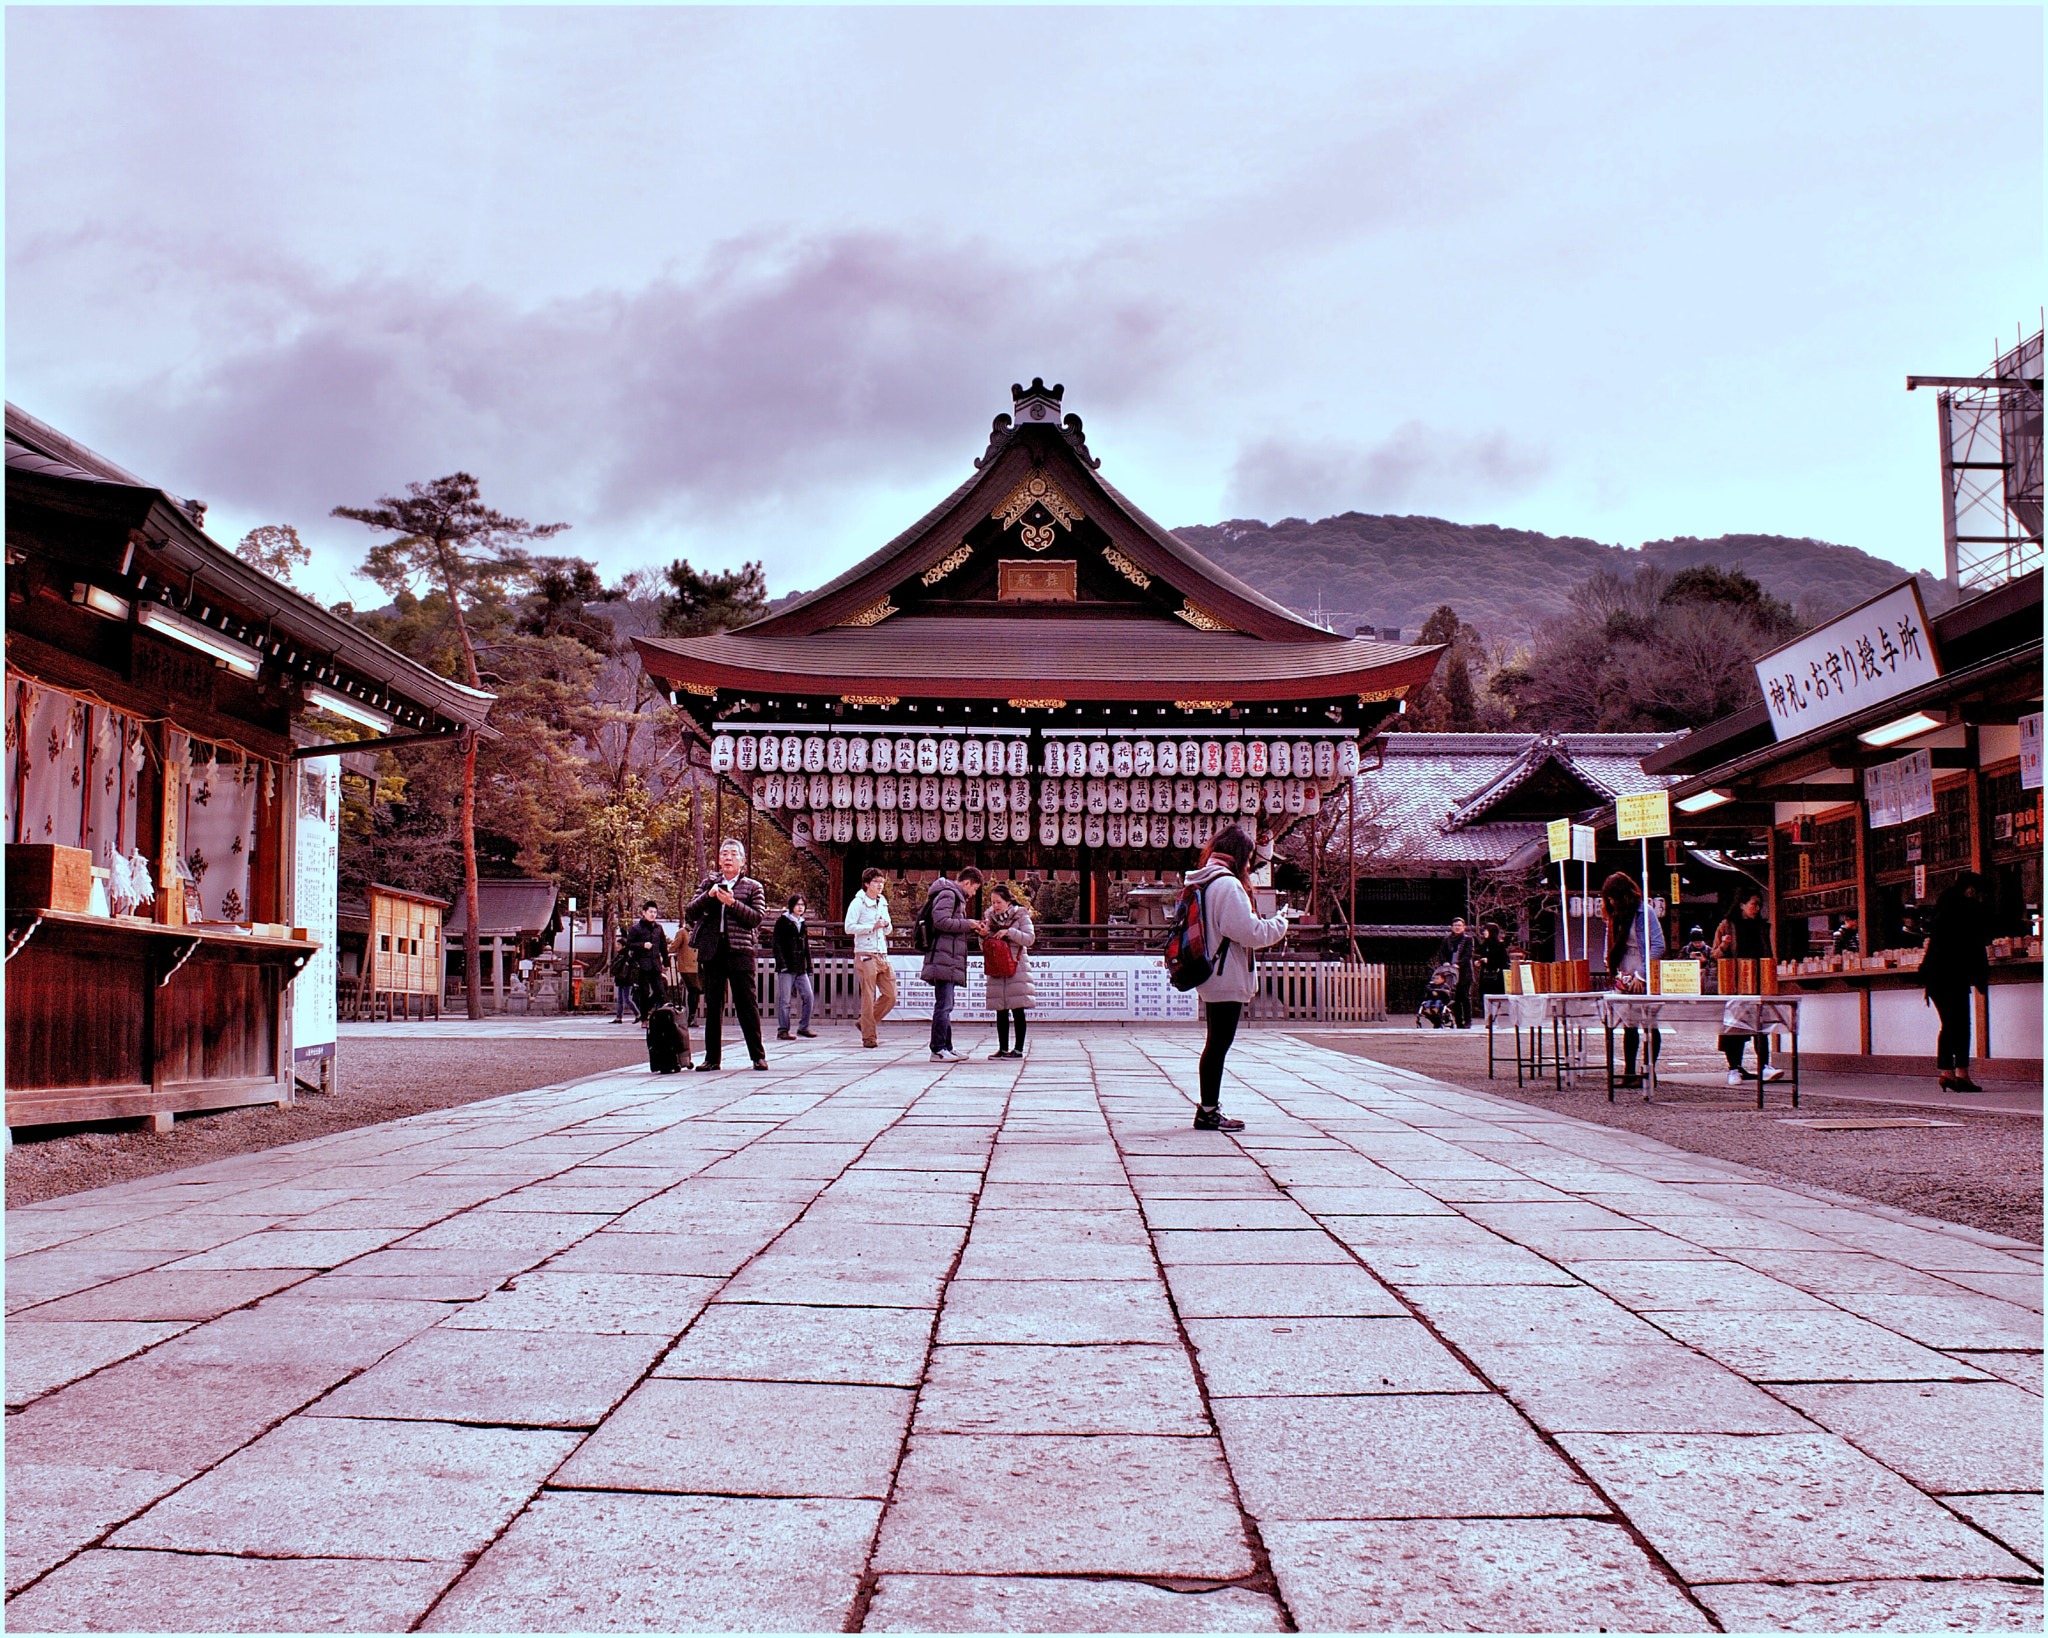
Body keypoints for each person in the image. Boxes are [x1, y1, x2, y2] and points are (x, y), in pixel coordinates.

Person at [1185, 824, 1294, 1131]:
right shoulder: (1228, 886)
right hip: (1226, 973)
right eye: (1247, 857)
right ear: (1238, 855)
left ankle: (1208, 1108)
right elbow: (1248, 932)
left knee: (1215, 1043)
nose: (1249, 864)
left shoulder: (1206, 880)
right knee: (1218, 1044)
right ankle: (1208, 1111)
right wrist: (1280, 923)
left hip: (1211, 972)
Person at [685, 838, 768, 1071]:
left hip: (740, 951)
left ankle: (757, 1056)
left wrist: (732, 903)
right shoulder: (708, 883)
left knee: (746, 1004)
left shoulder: (753, 887)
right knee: (713, 1005)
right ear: (719, 859)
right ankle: (712, 1058)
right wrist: (708, 896)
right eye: (724, 854)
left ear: (743, 860)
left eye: (733, 854)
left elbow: (756, 918)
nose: (728, 858)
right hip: (713, 951)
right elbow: (690, 911)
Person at [1922, 872, 1991, 1093]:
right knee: (1962, 1025)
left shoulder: (1943, 908)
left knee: (1949, 1025)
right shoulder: (1969, 909)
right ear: (1970, 890)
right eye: (1979, 894)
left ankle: (1947, 1073)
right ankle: (1961, 1073)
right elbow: (1979, 940)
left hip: (1934, 975)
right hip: (1954, 974)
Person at [1712, 887, 1782, 1085]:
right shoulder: (1727, 925)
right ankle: (1734, 1068)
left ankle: (1764, 1065)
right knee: (1734, 1026)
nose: (1756, 908)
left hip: (1758, 979)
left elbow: (1767, 951)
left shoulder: (1761, 926)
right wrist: (1725, 944)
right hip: (1734, 982)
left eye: (1759, 904)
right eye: (1753, 904)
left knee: (1760, 1025)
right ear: (1742, 905)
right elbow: (1714, 955)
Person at [1603, 872, 1664, 1087]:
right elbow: (1609, 945)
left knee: (1649, 1024)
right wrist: (1614, 969)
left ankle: (1649, 1070)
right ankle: (1629, 1071)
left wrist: (1642, 974)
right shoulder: (1615, 916)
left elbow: (1658, 945)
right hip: (1624, 973)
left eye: (1612, 897)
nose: (1610, 901)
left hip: (1643, 973)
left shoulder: (1644, 912)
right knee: (1629, 1026)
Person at [920, 866, 983, 1063]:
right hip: (942, 958)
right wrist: (969, 924)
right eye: (974, 889)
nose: (973, 894)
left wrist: (970, 925)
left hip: (947, 958)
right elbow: (941, 921)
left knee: (947, 1004)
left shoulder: (952, 896)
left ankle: (947, 1046)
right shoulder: (949, 895)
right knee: (944, 1005)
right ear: (966, 883)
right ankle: (938, 1048)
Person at [844, 867, 896, 1049]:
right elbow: (848, 927)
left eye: (882, 882)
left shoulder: (883, 902)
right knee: (868, 995)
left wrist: (886, 924)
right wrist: (871, 926)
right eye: (876, 882)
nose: (880, 885)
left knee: (891, 995)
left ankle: (864, 1022)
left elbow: (888, 929)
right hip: (865, 952)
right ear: (867, 884)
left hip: (882, 951)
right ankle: (869, 1037)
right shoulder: (858, 903)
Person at [982, 881, 1035, 1059]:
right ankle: (1002, 1048)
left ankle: (1018, 1049)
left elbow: (1029, 939)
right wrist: (983, 936)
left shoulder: (1021, 916)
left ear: (1008, 901)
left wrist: (1009, 932)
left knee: (1017, 1009)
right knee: (1001, 1009)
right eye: (993, 902)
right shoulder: (990, 918)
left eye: (998, 902)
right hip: (997, 967)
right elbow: (985, 945)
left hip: (1016, 967)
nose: (995, 906)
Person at [615, 901, 670, 1024]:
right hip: (641, 965)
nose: (653, 914)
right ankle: (644, 1018)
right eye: (650, 912)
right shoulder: (636, 928)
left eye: (655, 912)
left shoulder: (658, 928)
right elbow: (629, 944)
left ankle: (646, 1010)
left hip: (655, 964)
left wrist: (666, 961)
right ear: (644, 913)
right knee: (644, 992)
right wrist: (642, 945)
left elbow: (663, 945)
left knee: (660, 991)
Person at [772, 893, 817, 1040]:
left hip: (800, 966)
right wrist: (782, 963)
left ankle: (804, 1027)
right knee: (785, 1000)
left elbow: (805, 947)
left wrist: (808, 965)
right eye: (798, 905)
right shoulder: (783, 922)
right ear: (791, 906)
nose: (800, 908)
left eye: (802, 905)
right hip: (787, 965)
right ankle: (783, 1029)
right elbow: (776, 944)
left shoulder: (802, 923)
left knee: (808, 996)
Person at [1435, 916, 1477, 1028]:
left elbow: (1468, 954)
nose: (1457, 927)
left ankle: (1468, 1021)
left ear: (1464, 927)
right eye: (1455, 925)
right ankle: (1458, 1021)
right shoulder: (1446, 940)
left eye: (1459, 925)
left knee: (1465, 997)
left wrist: (1458, 964)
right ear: (1452, 927)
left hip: (1464, 972)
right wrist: (1445, 962)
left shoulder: (1468, 939)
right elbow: (1441, 953)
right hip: (1451, 973)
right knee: (1455, 998)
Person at [1476, 921, 1510, 997]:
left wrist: (1490, 961)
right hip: (1485, 975)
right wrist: (1480, 962)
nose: (1484, 932)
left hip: (1497, 977)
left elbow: (1504, 961)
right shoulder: (1484, 944)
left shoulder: (1500, 945)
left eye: (1485, 930)